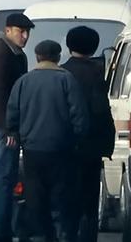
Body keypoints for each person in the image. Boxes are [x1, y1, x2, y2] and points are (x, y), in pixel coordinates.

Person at [7, 40, 89, 242]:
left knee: (36, 195)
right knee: (62, 194)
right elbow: (79, 115)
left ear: (37, 57)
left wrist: (16, 134)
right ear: (58, 57)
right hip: (61, 148)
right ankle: (63, 233)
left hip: (32, 149)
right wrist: (77, 138)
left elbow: (12, 114)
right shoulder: (67, 80)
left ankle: (44, 233)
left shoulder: (24, 82)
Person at [0, 12, 34, 242]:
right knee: (5, 178)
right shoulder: (2, 52)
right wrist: (10, 127)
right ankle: (1, 231)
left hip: (0, 122)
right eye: (20, 32)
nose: (24, 36)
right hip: (3, 124)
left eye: (27, 32)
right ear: (8, 30)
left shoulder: (14, 53)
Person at [61, 26, 116, 242]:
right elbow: (101, 111)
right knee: (90, 202)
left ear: (69, 45)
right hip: (91, 147)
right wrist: (106, 143)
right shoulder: (96, 73)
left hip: (65, 146)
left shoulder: (62, 71)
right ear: (94, 46)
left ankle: (68, 235)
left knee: (68, 198)